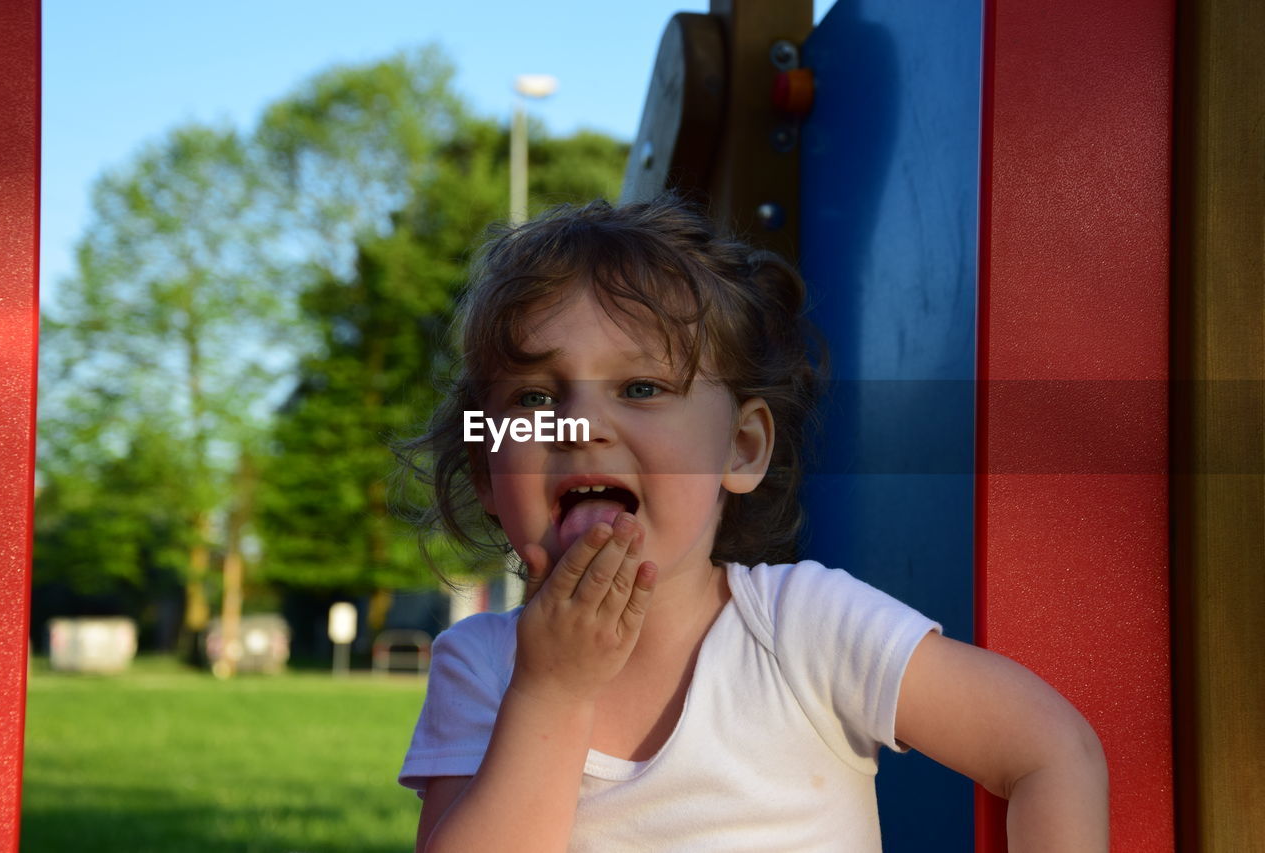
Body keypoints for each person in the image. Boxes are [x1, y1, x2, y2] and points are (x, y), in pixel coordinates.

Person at [394, 196, 1108, 852]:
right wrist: (550, 691)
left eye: (641, 387)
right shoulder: (483, 666)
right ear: (486, 469)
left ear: (742, 448)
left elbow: (1049, 749)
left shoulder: (806, 627)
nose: (583, 425)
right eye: (534, 397)